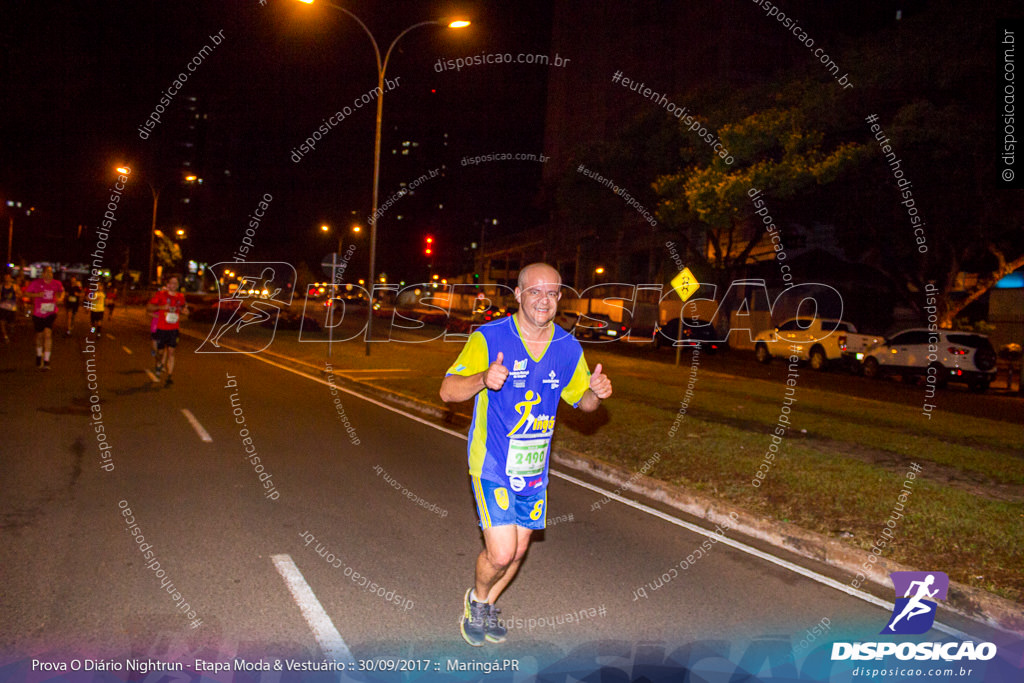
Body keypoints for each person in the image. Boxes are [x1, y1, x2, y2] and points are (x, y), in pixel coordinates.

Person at [440, 262, 613, 646]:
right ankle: (475, 599)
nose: (544, 300)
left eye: (552, 293)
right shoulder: (489, 337)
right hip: (492, 462)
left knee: (518, 550)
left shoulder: (568, 348)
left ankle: (486, 604)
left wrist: (595, 394)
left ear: (559, 298)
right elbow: (447, 392)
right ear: (517, 294)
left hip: (533, 468)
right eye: (535, 291)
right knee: (501, 553)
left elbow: (582, 404)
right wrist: (483, 378)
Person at [147, 274, 188, 387]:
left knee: (171, 352)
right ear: (168, 284)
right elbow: (149, 308)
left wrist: (185, 311)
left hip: (174, 329)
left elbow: (185, 309)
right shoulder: (160, 295)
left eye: (176, 283)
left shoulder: (180, 296)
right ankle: (159, 363)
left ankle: (169, 376)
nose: (174, 285)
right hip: (161, 328)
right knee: (160, 352)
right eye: (172, 283)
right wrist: (160, 307)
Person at [23, 266, 65, 369]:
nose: (49, 274)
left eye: (51, 272)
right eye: (47, 272)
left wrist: (60, 297)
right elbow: (26, 293)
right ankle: (38, 355)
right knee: (39, 336)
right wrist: (37, 294)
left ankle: (46, 360)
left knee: (47, 334)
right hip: (38, 313)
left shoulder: (57, 283)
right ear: (43, 274)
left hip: (51, 312)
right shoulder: (36, 283)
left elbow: (62, 291)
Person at [1, 272, 21, 342]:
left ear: (10, 278)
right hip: (3, 307)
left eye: (8, 277)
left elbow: (20, 294)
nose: (7, 279)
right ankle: (5, 336)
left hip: (11, 308)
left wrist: (17, 296)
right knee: (2, 322)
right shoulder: (1, 286)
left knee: (11, 323)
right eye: (5, 277)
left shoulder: (15, 287)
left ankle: (11, 333)